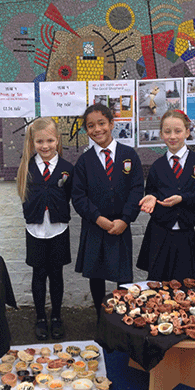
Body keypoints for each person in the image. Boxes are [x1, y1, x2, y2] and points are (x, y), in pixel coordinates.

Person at [72, 104, 144, 318]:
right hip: (95, 227)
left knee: (123, 275)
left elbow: (137, 189)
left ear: (112, 124)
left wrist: (125, 219)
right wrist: (97, 218)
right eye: (90, 126)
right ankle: (101, 316)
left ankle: (123, 316)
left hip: (121, 226)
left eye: (102, 123)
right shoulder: (84, 161)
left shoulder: (129, 155)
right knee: (96, 274)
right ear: (86, 130)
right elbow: (78, 196)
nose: (97, 129)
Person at [137, 109, 195, 282]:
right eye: (167, 131)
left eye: (178, 131)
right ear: (161, 134)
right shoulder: (157, 166)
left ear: (187, 132)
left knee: (186, 284)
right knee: (158, 284)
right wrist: (151, 198)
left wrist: (183, 198)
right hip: (159, 233)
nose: (172, 136)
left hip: (185, 234)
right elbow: (152, 192)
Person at [16, 117, 74, 340]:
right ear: (33, 142)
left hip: (58, 229)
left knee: (56, 274)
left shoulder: (67, 169)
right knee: (38, 274)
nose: (45, 146)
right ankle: (40, 317)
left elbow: (70, 195)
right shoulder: (27, 167)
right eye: (40, 141)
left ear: (57, 140)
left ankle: (56, 317)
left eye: (50, 140)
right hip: (35, 231)